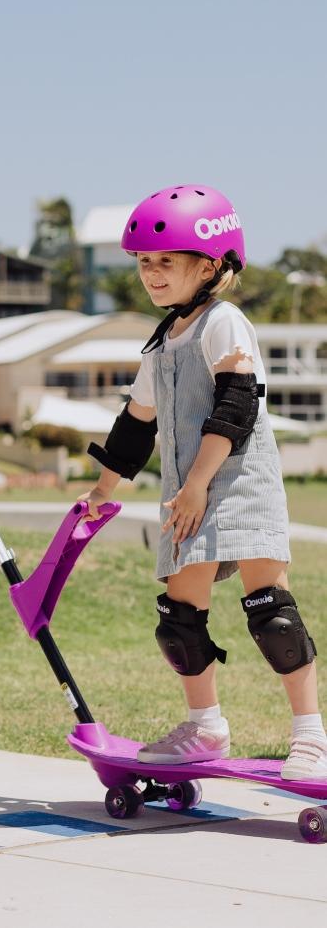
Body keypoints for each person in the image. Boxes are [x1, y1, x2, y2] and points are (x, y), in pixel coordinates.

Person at [81, 184, 327, 778]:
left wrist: (195, 485)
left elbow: (236, 407)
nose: (153, 274)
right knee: (179, 617)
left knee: (270, 611)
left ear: (211, 265)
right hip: (186, 494)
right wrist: (102, 491)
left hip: (237, 485)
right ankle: (205, 726)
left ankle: (311, 735)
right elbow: (134, 428)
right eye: (144, 262)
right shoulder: (161, 341)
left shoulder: (225, 323)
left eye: (167, 261)